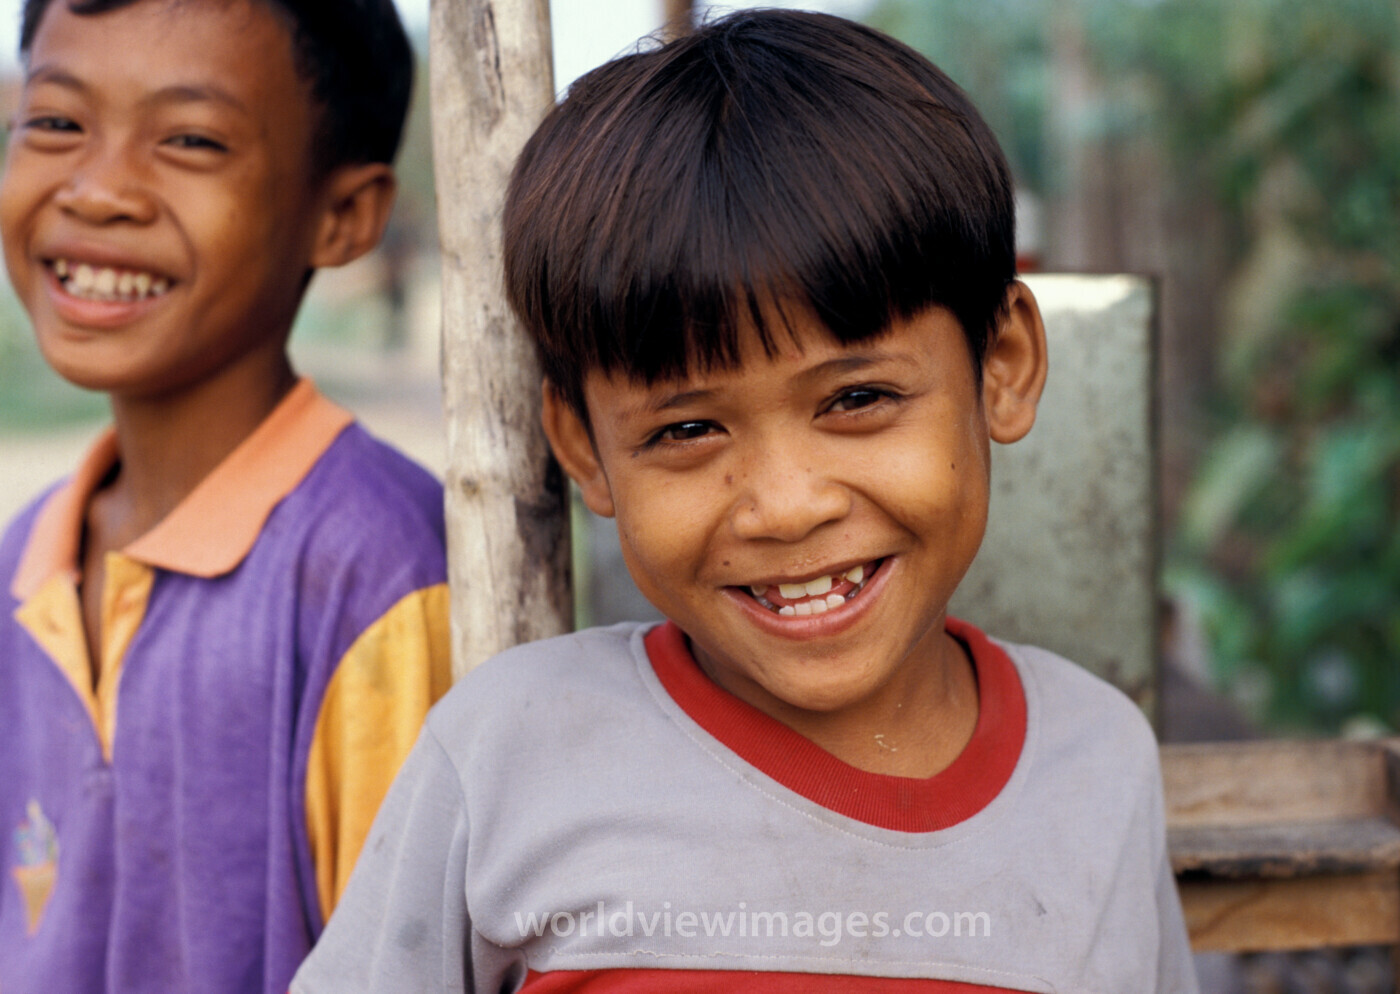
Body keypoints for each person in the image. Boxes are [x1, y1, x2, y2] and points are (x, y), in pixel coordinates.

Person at [295, 10, 1197, 993]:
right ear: (583, 450)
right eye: (687, 431)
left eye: (858, 400)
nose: (785, 507)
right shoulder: (506, 755)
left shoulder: (1097, 766)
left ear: (1004, 366)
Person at [0, 1, 450, 991]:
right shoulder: (22, 564)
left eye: (191, 139)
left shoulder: (377, 574)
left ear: (342, 216)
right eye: (56, 122)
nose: (99, 189)